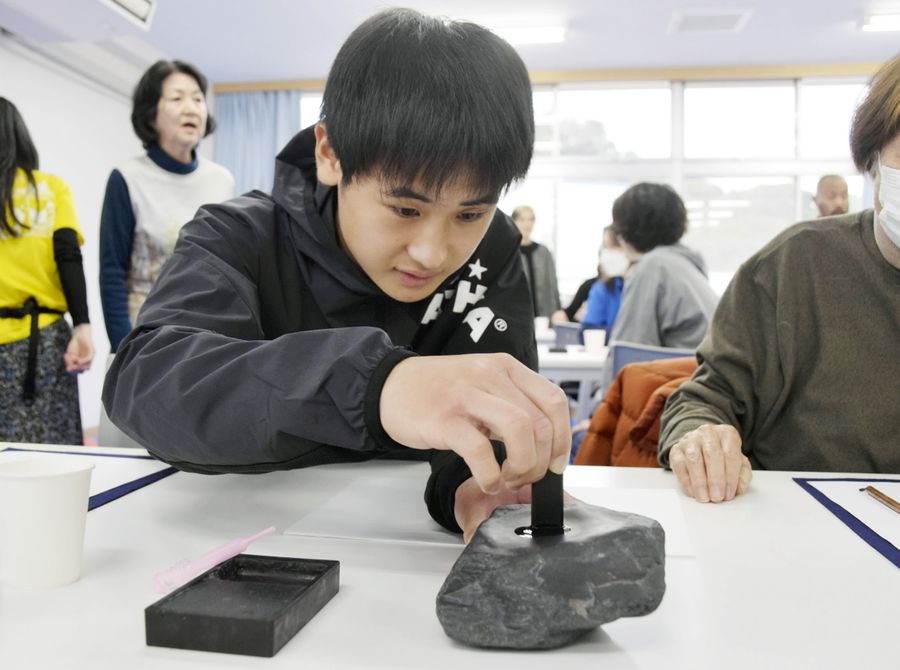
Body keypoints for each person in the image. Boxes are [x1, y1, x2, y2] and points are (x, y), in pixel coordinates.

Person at [103, 9, 570, 542]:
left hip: (401, 553)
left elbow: (495, 422)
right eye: (404, 210)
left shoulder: (493, 250)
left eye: (469, 214)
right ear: (330, 154)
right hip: (237, 540)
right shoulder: (238, 235)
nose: (432, 253)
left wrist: (478, 485)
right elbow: (147, 380)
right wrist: (378, 386)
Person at [659, 53, 900, 503]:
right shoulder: (794, 265)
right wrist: (703, 440)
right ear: (872, 163)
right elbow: (705, 400)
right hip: (800, 526)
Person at [99, 59, 234, 354]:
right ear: (151, 115)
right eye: (177, 98)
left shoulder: (221, 180)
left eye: (198, 99)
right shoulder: (128, 178)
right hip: (143, 336)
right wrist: (124, 350)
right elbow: (112, 272)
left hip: (206, 337)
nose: (191, 108)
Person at [0, 97, 93, 444]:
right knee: (49, 453)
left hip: (31, 338)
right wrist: (82, 326)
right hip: (41, 342)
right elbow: (68, 256)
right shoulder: (51, 189)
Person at [607, 182, 718, 349]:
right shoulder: (687, 263)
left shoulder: (651, 267)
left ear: (627, 229)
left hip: (684, 373)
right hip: (698, 370)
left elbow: (629, 353)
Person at [552, 225, 628, 326]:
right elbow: (587, 326)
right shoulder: (598, 288)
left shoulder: (638, 285)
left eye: (612, 247)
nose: (607, 253)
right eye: (605, 247)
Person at [511, 205, 561, 318]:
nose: (527, 224)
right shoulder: (509, 251)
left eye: (530, 219)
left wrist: (557, 309)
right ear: (513, 221)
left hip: (544, 315)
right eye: (522, 219)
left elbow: (553, 283)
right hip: (517, 315)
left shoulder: (544, 252)